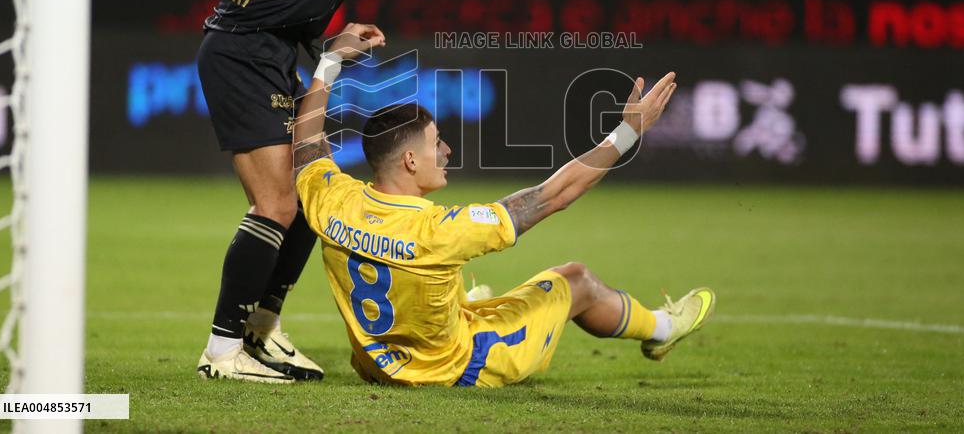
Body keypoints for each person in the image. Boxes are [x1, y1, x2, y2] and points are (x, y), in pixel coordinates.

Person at [195, 0, 534, 383]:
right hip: (243, 55)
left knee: (304, 197)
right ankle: (224, 350)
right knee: (276, 203)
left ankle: (262, 331)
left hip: (258, 49)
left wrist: (280, 24)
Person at [291, 24, 716, 387]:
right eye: (437, 141)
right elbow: (554, 196)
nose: (447, 149)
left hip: (376, 366)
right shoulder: (442, 231)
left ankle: (459, 309)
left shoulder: (335, 199)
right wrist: (626, 133)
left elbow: (307, 146)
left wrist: (330, 61)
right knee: (578, 280)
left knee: (453, 289)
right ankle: (663, 328)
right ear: (409, 160)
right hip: (455, 368)